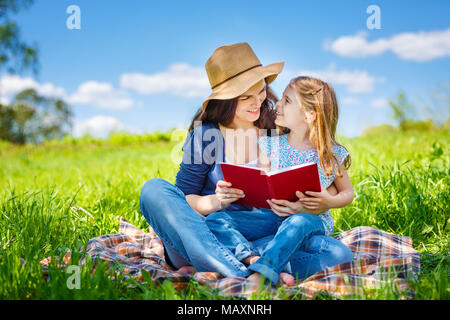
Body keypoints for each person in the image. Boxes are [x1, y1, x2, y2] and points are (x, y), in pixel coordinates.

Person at [139, 43, 350, 284]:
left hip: (267, 233)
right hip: (209, 233)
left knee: (337, 253)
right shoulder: (207, 136)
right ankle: (247, 274)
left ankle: (238, 268)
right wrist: (215, 201)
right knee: (153, 190)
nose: (257, 103)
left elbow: (322, 169)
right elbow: (183, 199)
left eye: (260, 91)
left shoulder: (275, 125)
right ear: (225, 100)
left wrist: (321, 200)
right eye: (245, 98)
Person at [205, 76, 354, 285]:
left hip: (308, 222)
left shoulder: (330, 154)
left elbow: (348, 193)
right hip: (270, 218)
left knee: (332, 248)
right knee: (215, 220)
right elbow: (264, 180)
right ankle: (258, 260)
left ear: (310, 115)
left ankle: (260, 269)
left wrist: (329, 202)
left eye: (287, 101)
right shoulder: (270, 145)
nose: (278, 104)